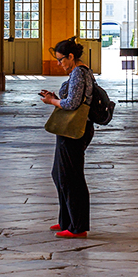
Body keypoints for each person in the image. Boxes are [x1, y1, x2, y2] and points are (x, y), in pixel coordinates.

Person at [38, 38, 94, 237]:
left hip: (74, 129)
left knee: (72, 177)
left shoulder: (79, 72)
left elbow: (72, 104)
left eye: (61, 60)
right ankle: (66, 220)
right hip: (69, 129)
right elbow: (72, 99)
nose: (58, 64)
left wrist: (52, 101)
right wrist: (55, 97)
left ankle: (78, 227)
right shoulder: (78, 72)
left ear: (71, 57)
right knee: (59, 174)